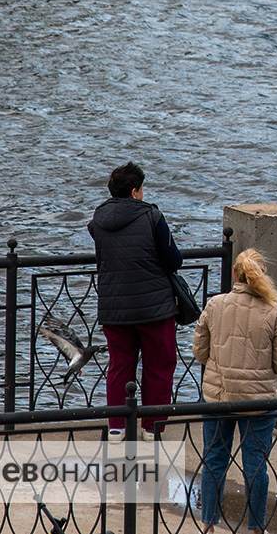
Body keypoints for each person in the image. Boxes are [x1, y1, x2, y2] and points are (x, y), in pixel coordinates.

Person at [193, 248, 277, 534]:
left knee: (214, 460)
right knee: (256, 465)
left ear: (234, 274)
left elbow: (199, 352)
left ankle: (209, 523)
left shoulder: (215, 305)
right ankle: (256, 527)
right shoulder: (273, 311)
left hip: (219, 396)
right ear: (262, 275)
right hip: (258, 400)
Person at [88, 162, 182, 443]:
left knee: (119, 366)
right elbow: (173, 259)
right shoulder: (152, 216)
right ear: (134, 191)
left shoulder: (98, 220)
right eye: (141, 189)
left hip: (114, 307)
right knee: (159, 365)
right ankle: (152, 426)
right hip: (154, 307)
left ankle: (117, 426)